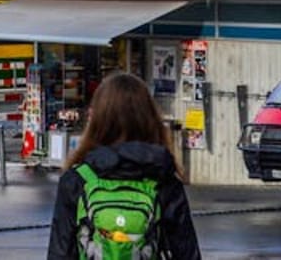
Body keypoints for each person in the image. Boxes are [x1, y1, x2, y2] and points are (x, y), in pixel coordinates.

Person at [46, 72, 200, 260]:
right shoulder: (163, 180)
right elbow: (187, 253)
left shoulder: (77, 180)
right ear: (150, 119)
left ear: (97, 120)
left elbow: (59, 252)